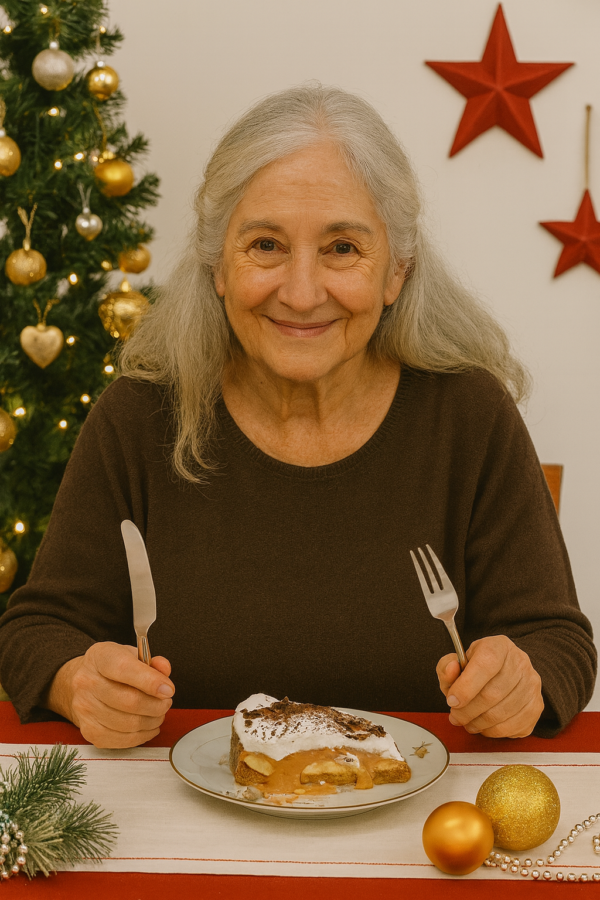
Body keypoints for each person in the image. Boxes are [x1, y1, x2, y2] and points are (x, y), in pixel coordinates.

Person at [0, 85, 595, 749]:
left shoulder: (469, 415)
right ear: (218, 266)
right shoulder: (140, 415)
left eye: (342, 248)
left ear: (396, 272)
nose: (303, 293)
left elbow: (558, 642)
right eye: (266, 245)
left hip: (423, 808)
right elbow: (36, 630)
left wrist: (521, 681)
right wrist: (76, 680)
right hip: (188, 810)